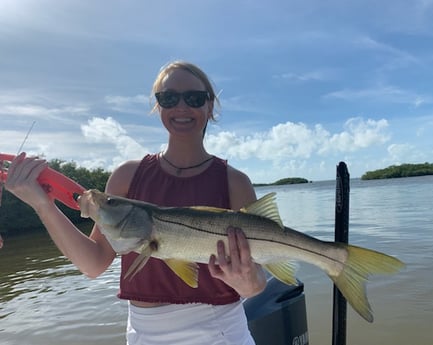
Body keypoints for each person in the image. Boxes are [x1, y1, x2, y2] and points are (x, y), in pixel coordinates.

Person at [5, 60, 267, 344]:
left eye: (194, 98)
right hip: (144, 334)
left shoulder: (234, 182)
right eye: (168, 98)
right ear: (157, 106)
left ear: (210, 106)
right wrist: (43, 205)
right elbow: (94, 264)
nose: (181, 107)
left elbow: (256, 284)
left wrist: (246, 282)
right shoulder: (127, 177)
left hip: (222, 331)